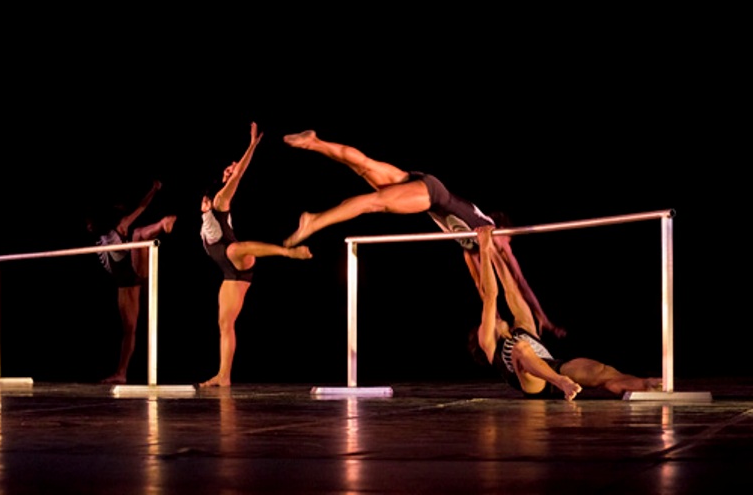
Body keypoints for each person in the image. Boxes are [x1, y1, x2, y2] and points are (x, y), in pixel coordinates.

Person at [282, 129, 565, 338]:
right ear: (505, 231)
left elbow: (482, 286)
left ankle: (314, 142)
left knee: (364, 165)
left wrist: (496, 319)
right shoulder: (497, 236)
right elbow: (518, 280)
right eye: (508, 243)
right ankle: (315, 220)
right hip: (432, 196)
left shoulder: (471, 248)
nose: (507, 249)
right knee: (373, 203)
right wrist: (543, 318)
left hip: (424, 185)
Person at [470, 224, 662, 401]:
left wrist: (494, 250)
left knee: (602, 372)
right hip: (534, 383)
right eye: (482, 327)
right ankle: (561, 383)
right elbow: (490, 296)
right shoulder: (490, 345)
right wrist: (484, 249)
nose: (487, 322)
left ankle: (646, 384)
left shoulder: (524, 326)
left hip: (556, 367)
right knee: (521, 349)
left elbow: (511, 289)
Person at [200, 122, 313, 388]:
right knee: (225, 323)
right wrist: (228, 173)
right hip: (229, 270)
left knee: (236, 248)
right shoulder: (211, 206)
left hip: (236, 257)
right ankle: (223, 375)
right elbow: (231, 176)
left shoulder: (220, 202)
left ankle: (289, 252)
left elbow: (238, 174)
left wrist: (251, 145)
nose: (231, 169)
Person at [86, 179, 178, 384]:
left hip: (136, 269)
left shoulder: (120, 226)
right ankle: (121, 373)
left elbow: (141, 207)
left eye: (90, 223)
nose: (88, 226)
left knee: (138, 235)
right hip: (125, 283)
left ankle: (162, 224)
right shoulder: (99, 238)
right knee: (129, 329)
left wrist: (153, 189)